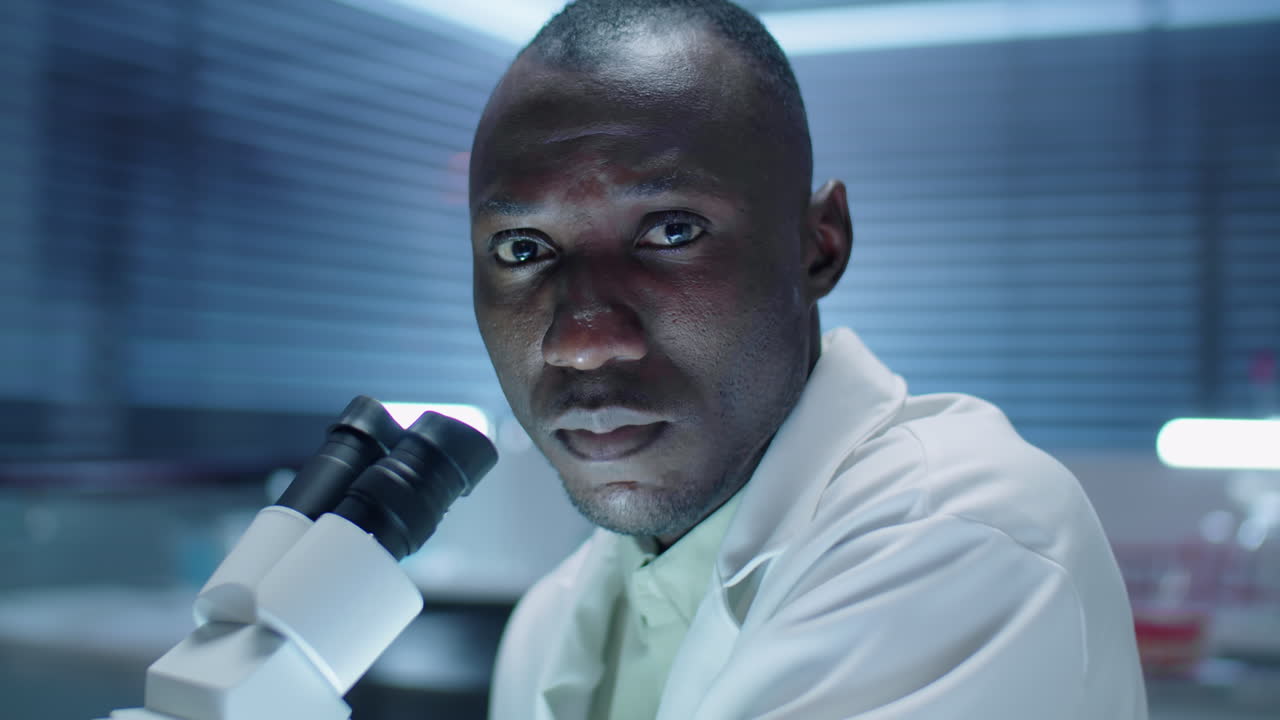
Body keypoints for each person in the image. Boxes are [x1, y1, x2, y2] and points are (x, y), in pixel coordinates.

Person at [468, 1, 1147, 718]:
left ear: (820, 246)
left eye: (671, 232)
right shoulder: (548, 625)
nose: (584, 339)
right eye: (522, 249)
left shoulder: (966, 536)